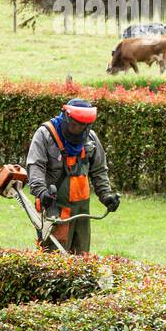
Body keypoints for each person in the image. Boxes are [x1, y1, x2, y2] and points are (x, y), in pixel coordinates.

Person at [25, 99, 120, 254]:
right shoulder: (45, 135)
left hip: (82, 211)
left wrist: (106, 195)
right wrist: (41, 191)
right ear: (66, 118)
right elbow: (35, 166)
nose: (78, 130)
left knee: (82, 257)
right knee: (54, 258)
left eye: (83, 126)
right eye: (75, 125)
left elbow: (99, 171)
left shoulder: (91, 139)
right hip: (55, 208)